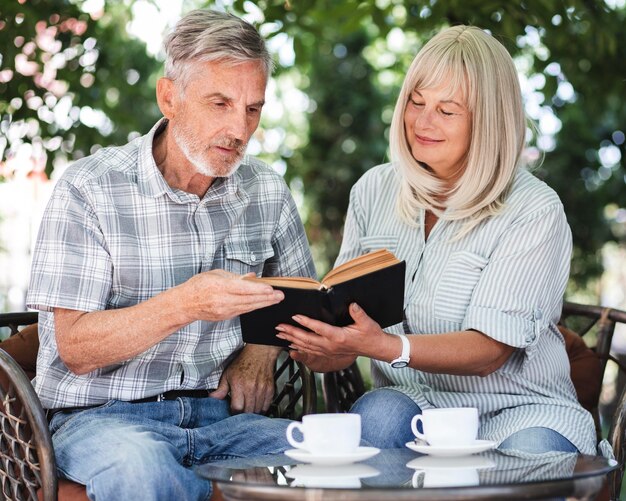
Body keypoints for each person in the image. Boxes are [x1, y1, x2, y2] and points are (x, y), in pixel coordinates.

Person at [26, 9, 315, 500]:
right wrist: (187, 304)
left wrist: (261, 351)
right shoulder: (89, 189)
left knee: (323, 456)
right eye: (220, 103)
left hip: (223, 420)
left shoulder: (266, 189)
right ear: (169, 97)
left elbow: (303, 303)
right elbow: (73, 347)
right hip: (100, 421)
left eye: (252, 109)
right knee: (144, 469)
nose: (239, 129)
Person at [276, 25, 597, 456]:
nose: (422, 122)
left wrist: (384, 347)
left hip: (520, 409)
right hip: (414, 402)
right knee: (375, 420)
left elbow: (490, 353)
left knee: (532, 458)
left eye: (447, 111)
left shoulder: (534, 209)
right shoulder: (374, 190)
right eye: (416, 101)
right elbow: (347, 327)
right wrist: (322, 349)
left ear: (488, 122)